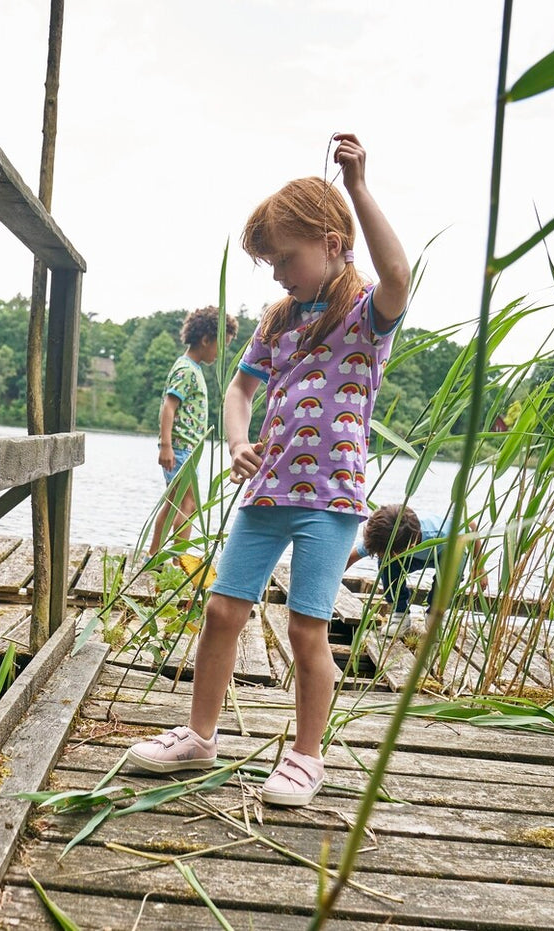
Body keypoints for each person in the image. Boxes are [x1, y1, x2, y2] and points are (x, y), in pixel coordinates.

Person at [126, 133, 411, 808]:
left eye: (285, 257)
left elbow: (399, 275)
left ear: (332, 242)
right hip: (266, 490)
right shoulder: (278, 319)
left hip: (330, 500)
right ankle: (199, 735)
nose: (277, 273)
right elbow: (239, 390)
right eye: (269, 262)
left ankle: (305, 757)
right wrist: (236, 440)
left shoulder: (366, 313)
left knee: (306, 627)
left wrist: (359, 188)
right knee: (223, 609)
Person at [147, 306, 238, 558]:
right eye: (222, 344)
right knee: (188, 503)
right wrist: (166, 446)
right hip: (180, 448)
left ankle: (153, 557)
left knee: (175, 503)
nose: (222, 351)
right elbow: (168, 405)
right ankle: (177, 560)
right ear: (206, 339)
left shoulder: (192, 368)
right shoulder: (186, 369)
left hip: (187, 450)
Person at [345, 503, 488, 630]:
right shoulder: (383, 536)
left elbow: (472, 527)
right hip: (412, 556)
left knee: (452, 574)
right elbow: (350, 558)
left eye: (387, 553)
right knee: (386, 564)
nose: (381, 554)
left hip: (446, 552)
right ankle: (400, 615)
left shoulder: (443, 533)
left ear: (410, 545)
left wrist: (479, 566)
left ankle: (435, 617)